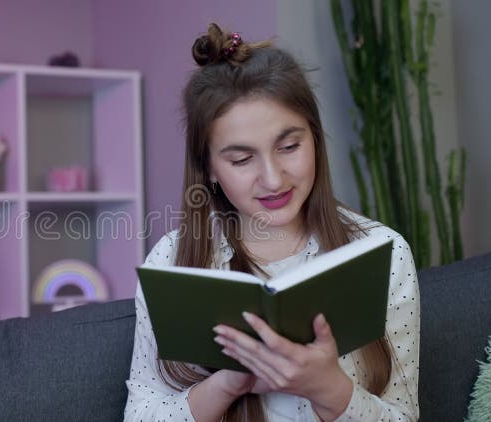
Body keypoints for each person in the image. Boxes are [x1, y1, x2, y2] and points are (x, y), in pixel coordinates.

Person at [124, 23, 419, 422]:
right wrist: (230, 382)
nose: (274, 178)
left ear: (315, 139)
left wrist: (327, 388)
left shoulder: (385, 253)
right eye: (241, 160)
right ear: (208, 168)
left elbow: (404, 414)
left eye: (290, 146)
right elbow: (141, 414)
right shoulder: (172, 259)